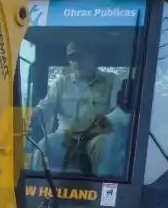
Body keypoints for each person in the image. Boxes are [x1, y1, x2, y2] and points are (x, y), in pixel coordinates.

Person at [30, 39, 130, 176]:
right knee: (43, 147)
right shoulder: (60, 84)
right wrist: (36, 114)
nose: (77, 62)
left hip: (97, 135)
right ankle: (38, 191)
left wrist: (108, 120)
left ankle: (105, 193)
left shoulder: (112, 81)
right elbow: (45, 107)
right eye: (72, 57)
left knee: (105, 147)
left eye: (82, 56)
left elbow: (122, 112)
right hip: (65, 137)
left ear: (94, 57)